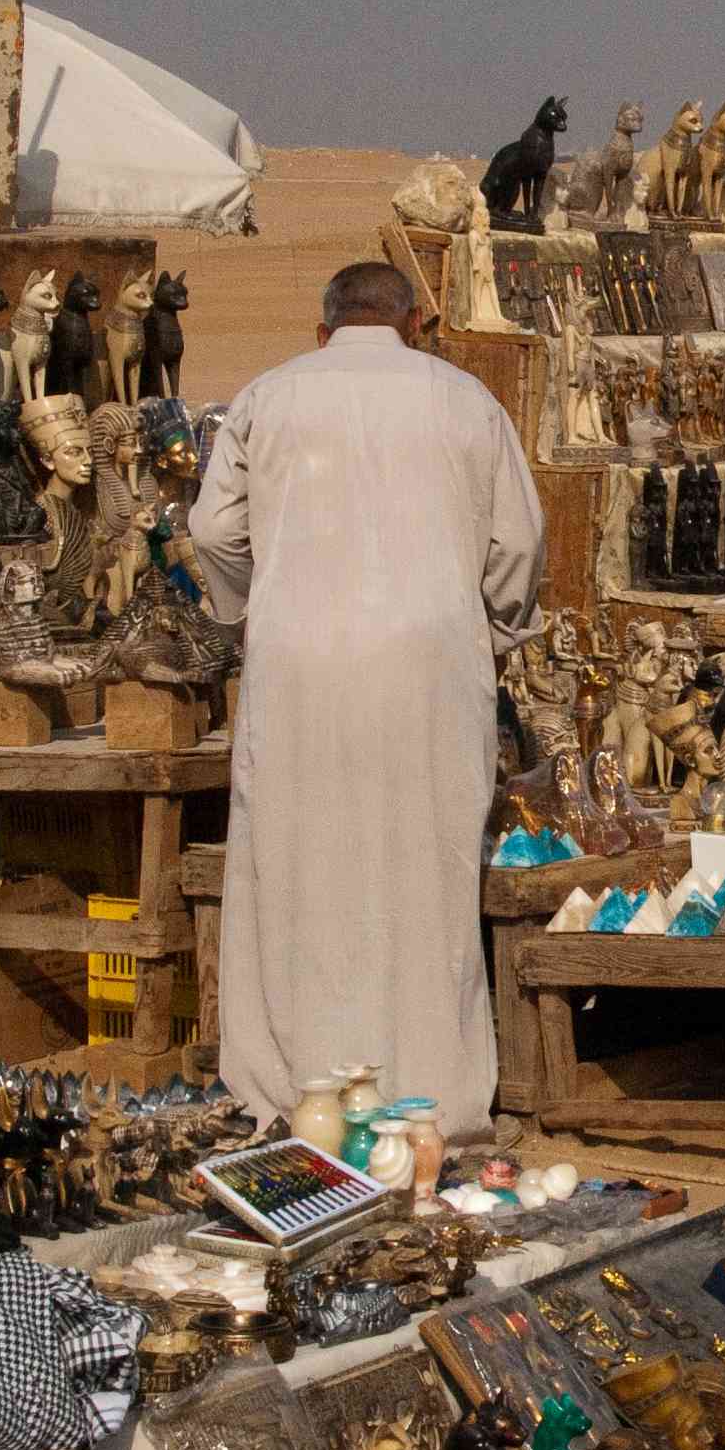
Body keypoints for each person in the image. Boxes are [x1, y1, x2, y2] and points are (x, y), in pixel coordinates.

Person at [187, 260, 545, 1134]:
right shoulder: (465, 402)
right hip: (428, 668)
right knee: (425, 865)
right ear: (415, 324)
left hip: (299, 666)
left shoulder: (267, 398)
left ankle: (295, 1090)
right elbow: (518, 546)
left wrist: (249, 604)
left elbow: (209, 529)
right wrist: (486, 628)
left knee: (298, 862)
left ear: (324, 330)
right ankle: (432, 1097)